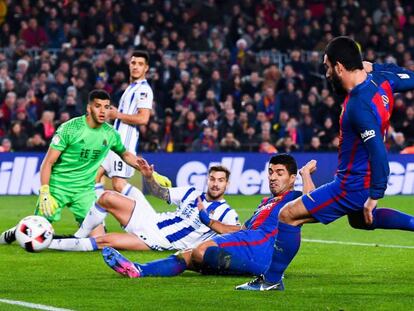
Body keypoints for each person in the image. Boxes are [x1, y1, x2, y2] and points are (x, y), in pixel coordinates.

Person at [237, 36, 414, 291]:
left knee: (288, 215)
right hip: (357, 181)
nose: (327, 72)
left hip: (350, 186)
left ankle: (271, 281)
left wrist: (375, 194)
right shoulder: (383, 80)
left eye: (328, 66)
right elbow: (407, 76)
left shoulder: (358, 107)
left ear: (340, 67)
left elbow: (378, 154)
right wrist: (374, 67)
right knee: (361, 220)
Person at [101, 154, 316, 286]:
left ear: (291, 177)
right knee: (187, 256)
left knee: (200, 252)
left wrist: (306, 174)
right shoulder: (264, 203)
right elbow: (240, 228)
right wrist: (207, 220)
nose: (273, 177)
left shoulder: (293, 198)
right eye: (270, 172)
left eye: (279, 173)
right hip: (247, 240)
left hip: (259, 246)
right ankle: (139, 270)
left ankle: (262, 270)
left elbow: (312, 204)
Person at [0, 90, 142, 244]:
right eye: (98, 106)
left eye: (106, 107)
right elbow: (48, 162)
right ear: (89, 108)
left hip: (84, 191)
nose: (102, 111)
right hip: (57, 187)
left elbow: (125, 154)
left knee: (98, 239)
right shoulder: (70, 128)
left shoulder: (110, 134)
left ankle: (65, 239)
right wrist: (45, 191)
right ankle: (17, 230)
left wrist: (148, 172)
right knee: (35, 233)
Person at [48, 162, 239, 252]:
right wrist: (149, 178)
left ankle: (48, 244)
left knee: (103, 241)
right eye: (213, 179)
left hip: (159, 240)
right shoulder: (191, 192)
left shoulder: (228, 214)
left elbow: (237, 233)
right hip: (151, 219)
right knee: (107, 197)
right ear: (207, 179)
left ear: (227, 185)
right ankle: (78, 235)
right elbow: (160, 193)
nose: (215, 184)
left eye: (221, 181)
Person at [95, 50, 170, 205]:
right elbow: (121, 114)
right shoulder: (131, 88)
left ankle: (146, 215)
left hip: (124, 143)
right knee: (93, 177)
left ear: (146, 68)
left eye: (140, 64)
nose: (136, 67)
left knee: (118, 184)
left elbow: (143, 118)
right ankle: (97, 223)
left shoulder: (143, 90)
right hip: (113, 142)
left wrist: (118, 115)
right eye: (133, 63)